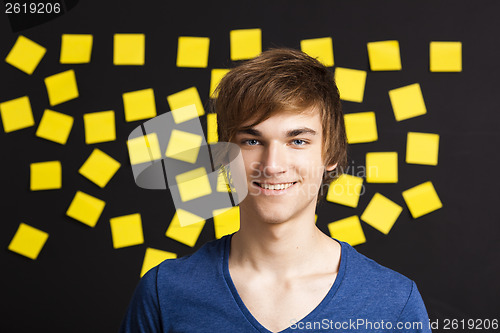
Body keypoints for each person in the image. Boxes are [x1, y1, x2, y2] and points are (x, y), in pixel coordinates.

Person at [119, 48, 431, 332]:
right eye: (252, 141)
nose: (272, 165)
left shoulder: (394, 304)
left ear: (331, 155)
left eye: (298, 141)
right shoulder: (165, 293)